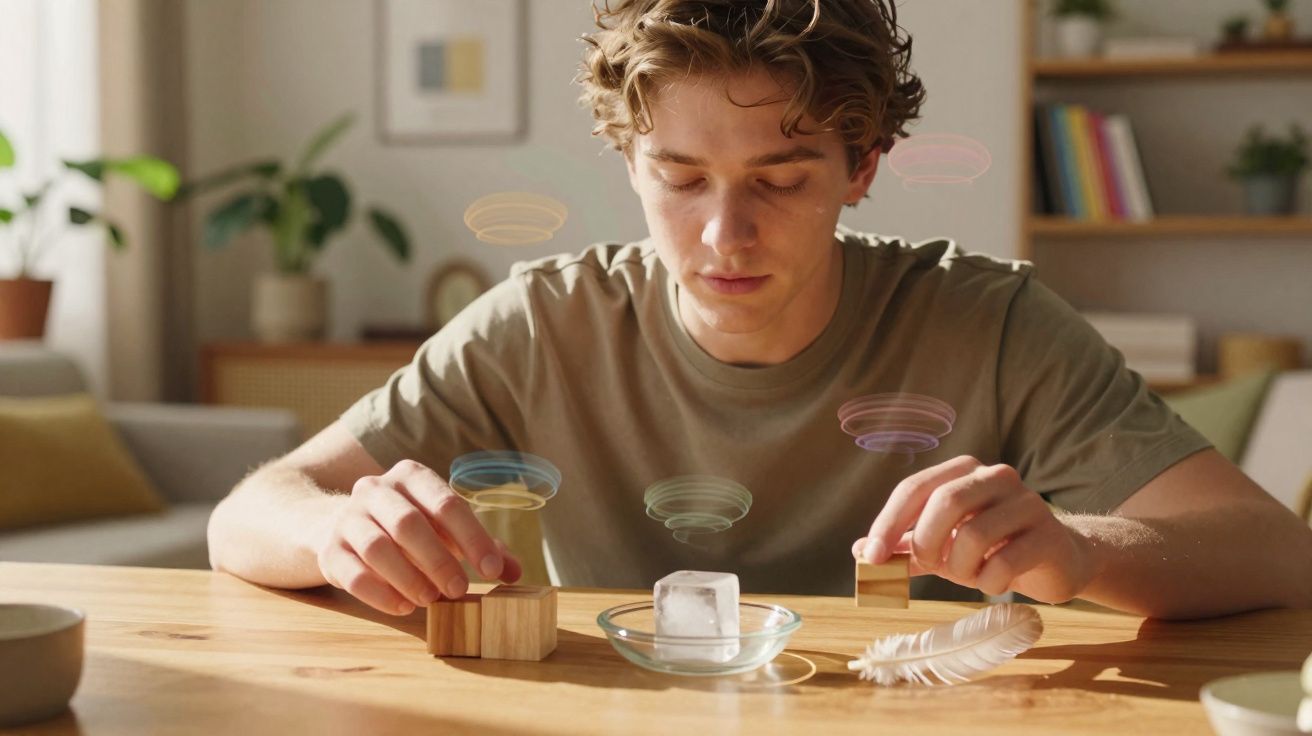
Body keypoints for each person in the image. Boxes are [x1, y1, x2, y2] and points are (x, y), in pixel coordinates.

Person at [207, 0, 1312, 620]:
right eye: (678, 178)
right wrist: (331, 525)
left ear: (862, 163)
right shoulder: (542, 319)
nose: (723, 235)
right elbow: (249, 510)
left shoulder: (987, 319)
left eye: (781, 180)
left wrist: (1077, 546)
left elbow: (1272, 551)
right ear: (628, 160)